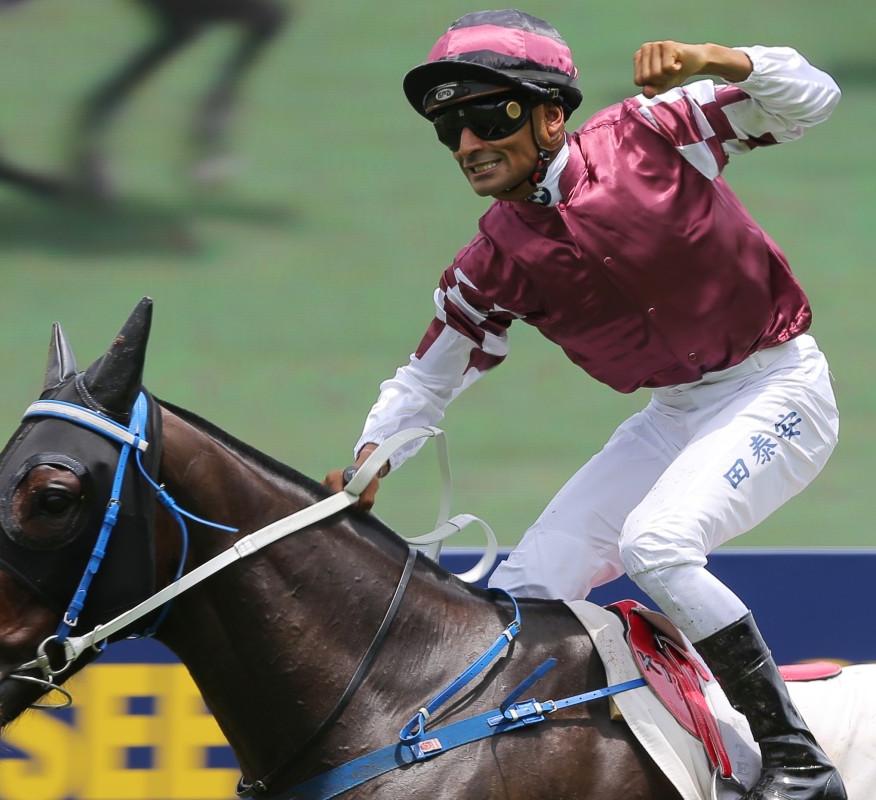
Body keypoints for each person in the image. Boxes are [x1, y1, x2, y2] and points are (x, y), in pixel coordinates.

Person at [324, 10, 845, 800]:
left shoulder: (651, 131)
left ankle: (798, 760)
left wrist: (719, 58)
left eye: (485, 117)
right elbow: (426, 378)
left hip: (779, 387)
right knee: (523, 597)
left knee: (658, 547)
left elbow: (814, 99)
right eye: (449, 129)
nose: (466, 144)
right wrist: (372, 461)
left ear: (550, 114)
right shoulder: (493, 257)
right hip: (675, 413)